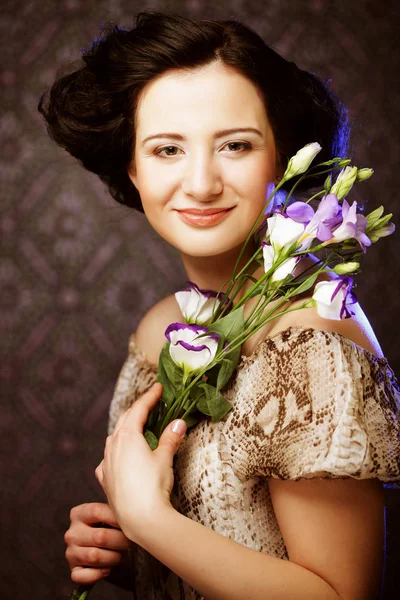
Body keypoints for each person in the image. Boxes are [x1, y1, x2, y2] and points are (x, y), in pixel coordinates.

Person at [38, 11, 400, 600]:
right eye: (166, 150)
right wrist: (131, 549)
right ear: (132, 167)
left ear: (281, 161)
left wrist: (150, 521)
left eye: (235, 145)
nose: (201, 182)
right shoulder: (159, 329)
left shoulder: (312, 337)